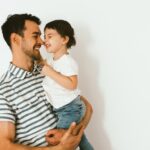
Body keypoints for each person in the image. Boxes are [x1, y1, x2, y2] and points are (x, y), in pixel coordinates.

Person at [0, 14, 93, 150]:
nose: (42, 41)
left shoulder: (48, 70)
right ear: (15, 39)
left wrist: (70, 133)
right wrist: (60, 148)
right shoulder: (3, 91)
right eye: (35, 35)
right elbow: (4, 145)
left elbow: (88, 108)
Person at [41, 20, 93, 150]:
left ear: (64, 39)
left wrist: (50, 72)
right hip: (64, 109)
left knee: (61, 142)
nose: (45, 40)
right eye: (44, 36)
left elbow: (72, 85)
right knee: (79, 139)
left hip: (69, 109)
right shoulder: (52, 61)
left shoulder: (67, 61)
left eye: (50, 36)